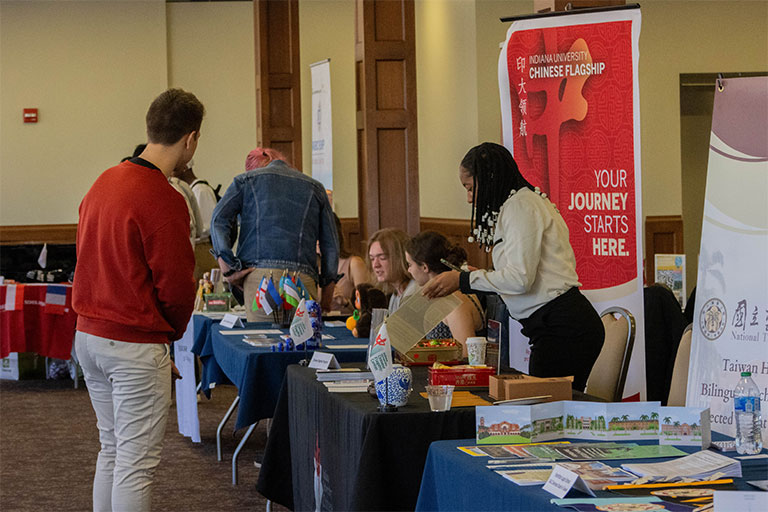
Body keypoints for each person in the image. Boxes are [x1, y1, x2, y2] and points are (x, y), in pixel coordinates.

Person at [73, 88, 204, 511]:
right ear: (191, 139)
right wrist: (164, 337)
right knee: (135, 464)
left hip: (88, 335)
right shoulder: (163, 197)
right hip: (133, 343)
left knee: (110, 450)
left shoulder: (102, 182)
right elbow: (178, 287)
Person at [422, 142, 604, 390]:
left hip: (563, 329)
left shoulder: (521, 206)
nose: (469, 199)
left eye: (470, 188)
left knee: (547, 416)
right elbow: (523, 273)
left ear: (489, 178)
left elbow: (520, 279)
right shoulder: (519, 204)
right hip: (554, 326)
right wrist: (482, 278)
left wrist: (462, 281)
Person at [210, 147, 339, 321]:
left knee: (262, 342)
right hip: (302, 279)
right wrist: (327, 296)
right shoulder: (315, 188)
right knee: (303, 345)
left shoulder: (245, 181)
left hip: (260, 279)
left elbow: (218, 220)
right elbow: (330, 245)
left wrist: (227, 266)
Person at [405, 231, 485, 358]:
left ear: (425, 267)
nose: (408, 270)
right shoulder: (442, 297)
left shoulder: (456, 302)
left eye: (410, 265)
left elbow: (467, 357)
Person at [178, 160, 219, 280]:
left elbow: (206, 227)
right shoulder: (188, 189)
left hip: (203, 249)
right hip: (196, 249)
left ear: (185, 167)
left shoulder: (201, 190)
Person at [367, 228, 419, 314]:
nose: (375, 265)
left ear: (400, 257)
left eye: (382, 258)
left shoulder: (413, 292)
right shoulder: (395, 295)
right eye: (372, 259)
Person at [329, 213, 369, 314]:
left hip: (347, 326)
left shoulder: (354, 263)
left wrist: (345, 302)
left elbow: (366, 310)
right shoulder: (312, 267)